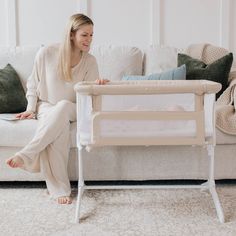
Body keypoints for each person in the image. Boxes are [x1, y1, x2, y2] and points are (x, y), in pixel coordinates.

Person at [6, 13, 109, 204]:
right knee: (58, 131)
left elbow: (90, 95)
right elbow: (33, 83)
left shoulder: (90, 61)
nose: (89, 40)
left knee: (62, 107)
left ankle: (27, 154)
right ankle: (60, 190)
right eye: (84, 35)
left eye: (92, 35)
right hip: (46, 106)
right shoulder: (46, 53)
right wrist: (31, 108)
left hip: (75, 108)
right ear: (71, 34)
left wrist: (99, 86)